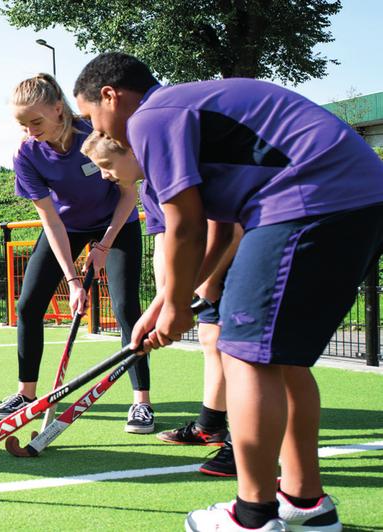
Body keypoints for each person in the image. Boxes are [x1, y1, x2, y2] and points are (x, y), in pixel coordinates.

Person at [74, 51, 383, 532]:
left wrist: (176, 308)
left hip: (307, 197)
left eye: (91, 116)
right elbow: (215, 232)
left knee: (245, 356)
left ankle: (253, 515)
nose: (98, 129)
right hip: (353, 195)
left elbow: (186, 227)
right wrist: (162, 306)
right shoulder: (185, 114)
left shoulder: (152, 117)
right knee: (280, 359)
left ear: (110, 96)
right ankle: (305, 504)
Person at [81, 130, 241, 477]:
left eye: (107, 165)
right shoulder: (148, 188)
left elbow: (224, 229)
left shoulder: (176, 172)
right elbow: (164, 245)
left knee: (241, 352)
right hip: (203, 270)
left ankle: (244, 445)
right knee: (211, 340)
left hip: (239, 255)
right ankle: (210, 425)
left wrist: (202, 286)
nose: (106, 175)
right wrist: (161, 303)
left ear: (132, 152)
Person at [0, 73, 149, 433]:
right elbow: (49, 218)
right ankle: (26, 394)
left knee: (127, 307)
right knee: (28, 304)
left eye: (36, 121)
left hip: (117, 222)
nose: (31, 131)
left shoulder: (95, 131)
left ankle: (141, 401)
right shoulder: (27, 154)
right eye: (22, 124)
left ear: (58, 108)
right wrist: (73, 280)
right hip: (67, 226)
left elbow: (129, 193)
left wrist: (104, 246)